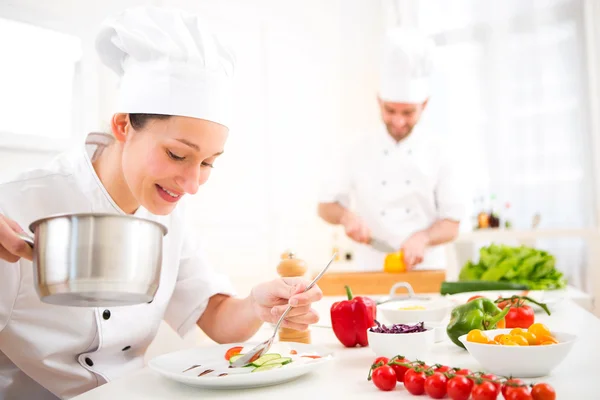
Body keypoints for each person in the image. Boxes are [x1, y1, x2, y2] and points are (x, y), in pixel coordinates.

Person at [0, 6, 322, 399]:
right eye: (176, 154)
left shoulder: (171, 215)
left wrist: (258, 306)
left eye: (207, 163)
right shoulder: (17, 206)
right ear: (122, 126)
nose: (191, 185)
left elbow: (217, 317)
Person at [317, 27, 466, 272]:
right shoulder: (355, 149)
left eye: (408, 112)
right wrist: (347, 217)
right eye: (390, 111)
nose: (398, 121)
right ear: (379, 102)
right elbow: (324, 206)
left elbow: (452, 224)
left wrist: (423, 238)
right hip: (371, 267)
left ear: (424, 105)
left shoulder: (441, 151)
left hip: (425, 268)